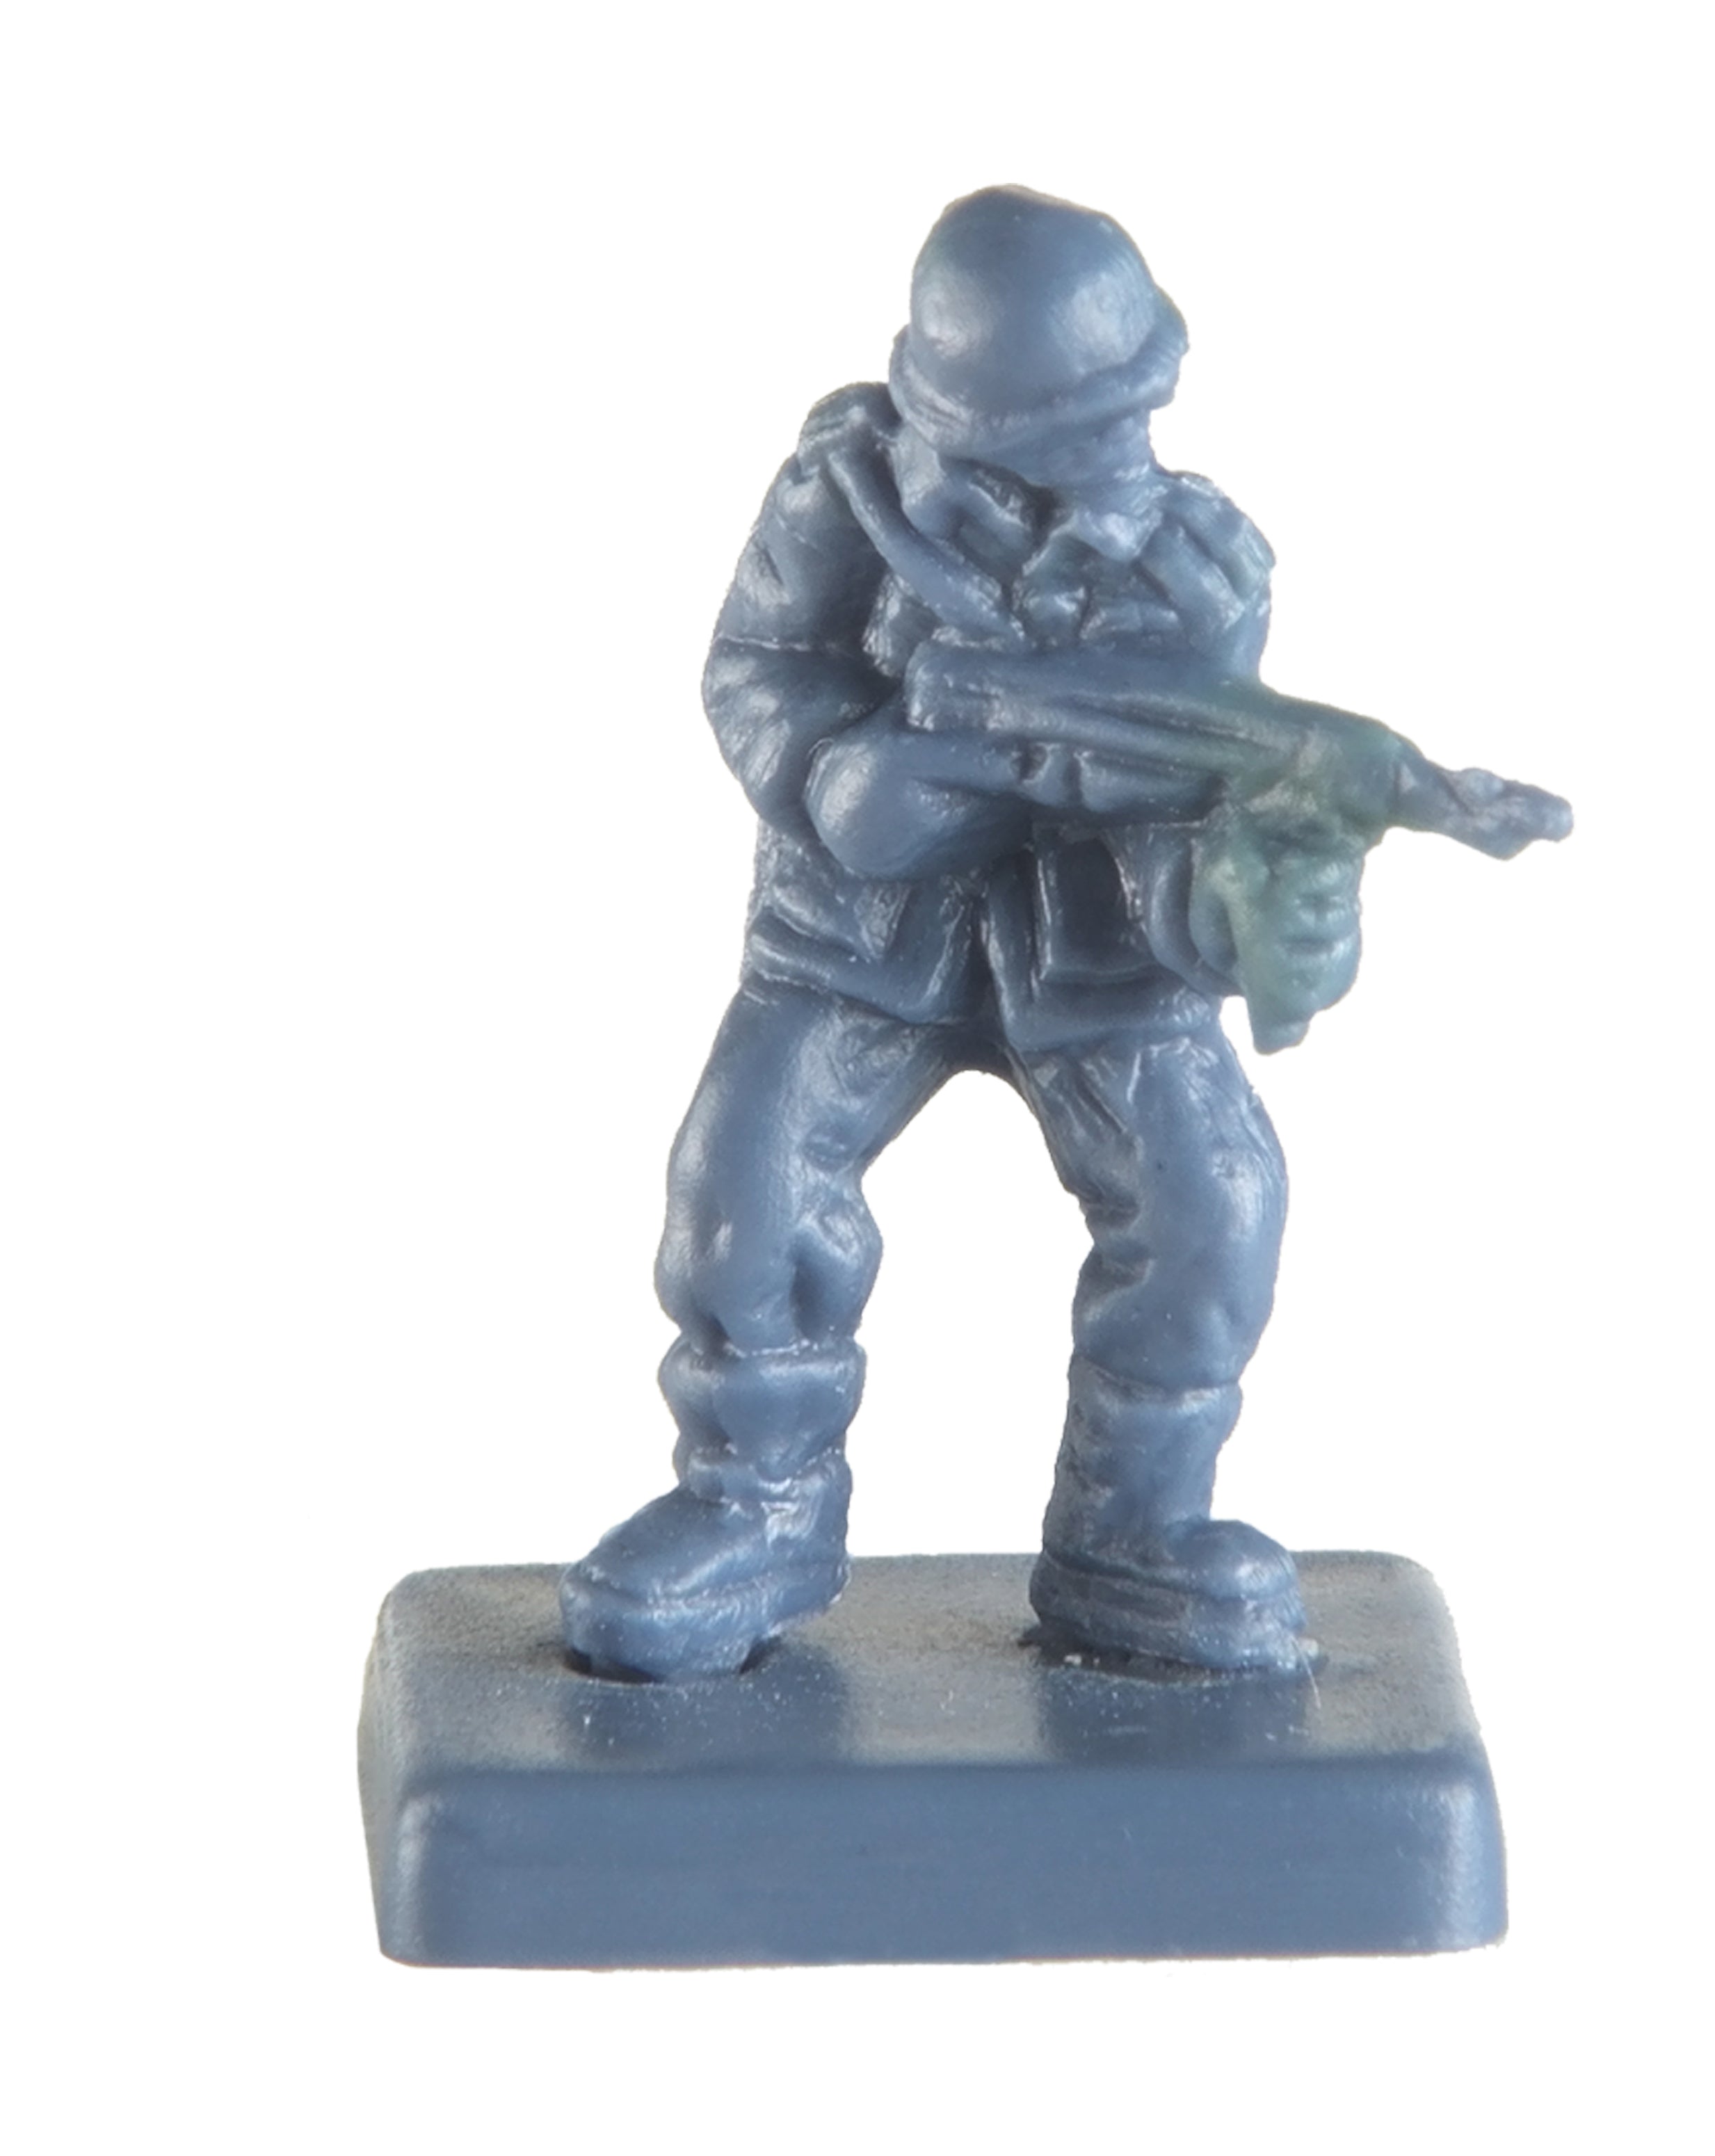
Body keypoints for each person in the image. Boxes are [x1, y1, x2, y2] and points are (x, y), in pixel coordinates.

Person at [559, 186, 1565, 1680]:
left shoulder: (1195, 569)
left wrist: (1245, 900)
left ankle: (1132, 1534)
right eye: (1080, 424)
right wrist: (843, 777)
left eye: (1132, 409)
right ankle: (751, 1506)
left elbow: (1193, 778)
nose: (1119, 450)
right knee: (740, 1192)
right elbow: (759, 665)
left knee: (1211, 1207)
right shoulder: (847, 490)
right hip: (860, 936)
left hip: (1091, 956)